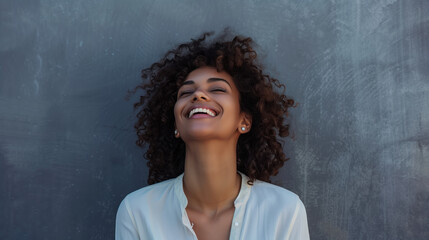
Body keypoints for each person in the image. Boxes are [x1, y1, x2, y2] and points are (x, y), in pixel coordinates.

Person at [116, 31, 310, 240]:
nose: (198, 95)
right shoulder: (137, 212)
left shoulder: (284, 211)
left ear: (244, 121)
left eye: (217, 88)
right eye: (186, 93)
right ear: (176, 127)